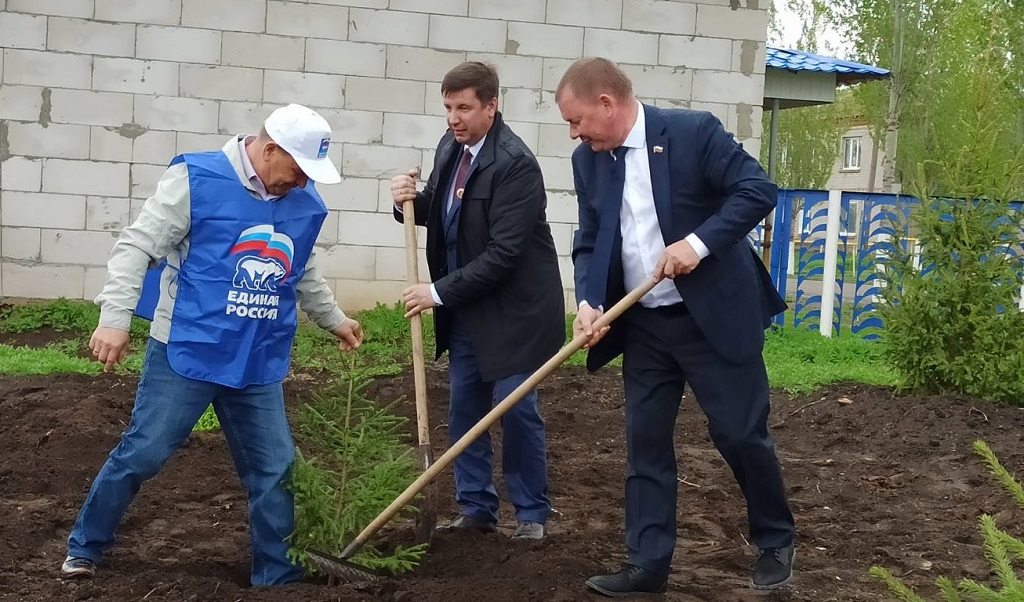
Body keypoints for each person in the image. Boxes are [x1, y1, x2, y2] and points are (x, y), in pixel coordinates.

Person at [61, 103, 364, 586]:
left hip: (257, 356)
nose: (304, 182)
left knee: (276, 469)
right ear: (270, 150)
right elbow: (136, 247)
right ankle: (86, 546)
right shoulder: (197, 179)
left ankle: (278, 577)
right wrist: (115, 319)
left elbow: (301, 268)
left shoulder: (303, 201)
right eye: (299, 169)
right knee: (145, 452)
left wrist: (334, 319)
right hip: (188, 349)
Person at [554, 58, 795, 595]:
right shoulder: (587, 160)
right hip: (645, 325)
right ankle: (647, 565)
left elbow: (757, 190)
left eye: (576, 120)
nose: (574, 134)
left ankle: (776, 539)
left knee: (739, 433)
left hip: (712, 318)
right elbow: (590, 238)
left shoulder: (691, 133)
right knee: (645, 444)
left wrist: (697, 244)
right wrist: (590, 301)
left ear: (606, 104)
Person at [389, 62, 565, 541]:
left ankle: (530, 515)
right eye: (448, 107)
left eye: (464, 107)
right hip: (469, 307)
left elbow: (504, 253)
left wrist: (436, 293)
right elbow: (444, 212)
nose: (454, 118)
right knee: (465, 409)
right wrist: (407, 201)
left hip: (515, 312)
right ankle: (476, 508)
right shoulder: (451, 147)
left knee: (515, 409)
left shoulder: (515, 165)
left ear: (491, 105)